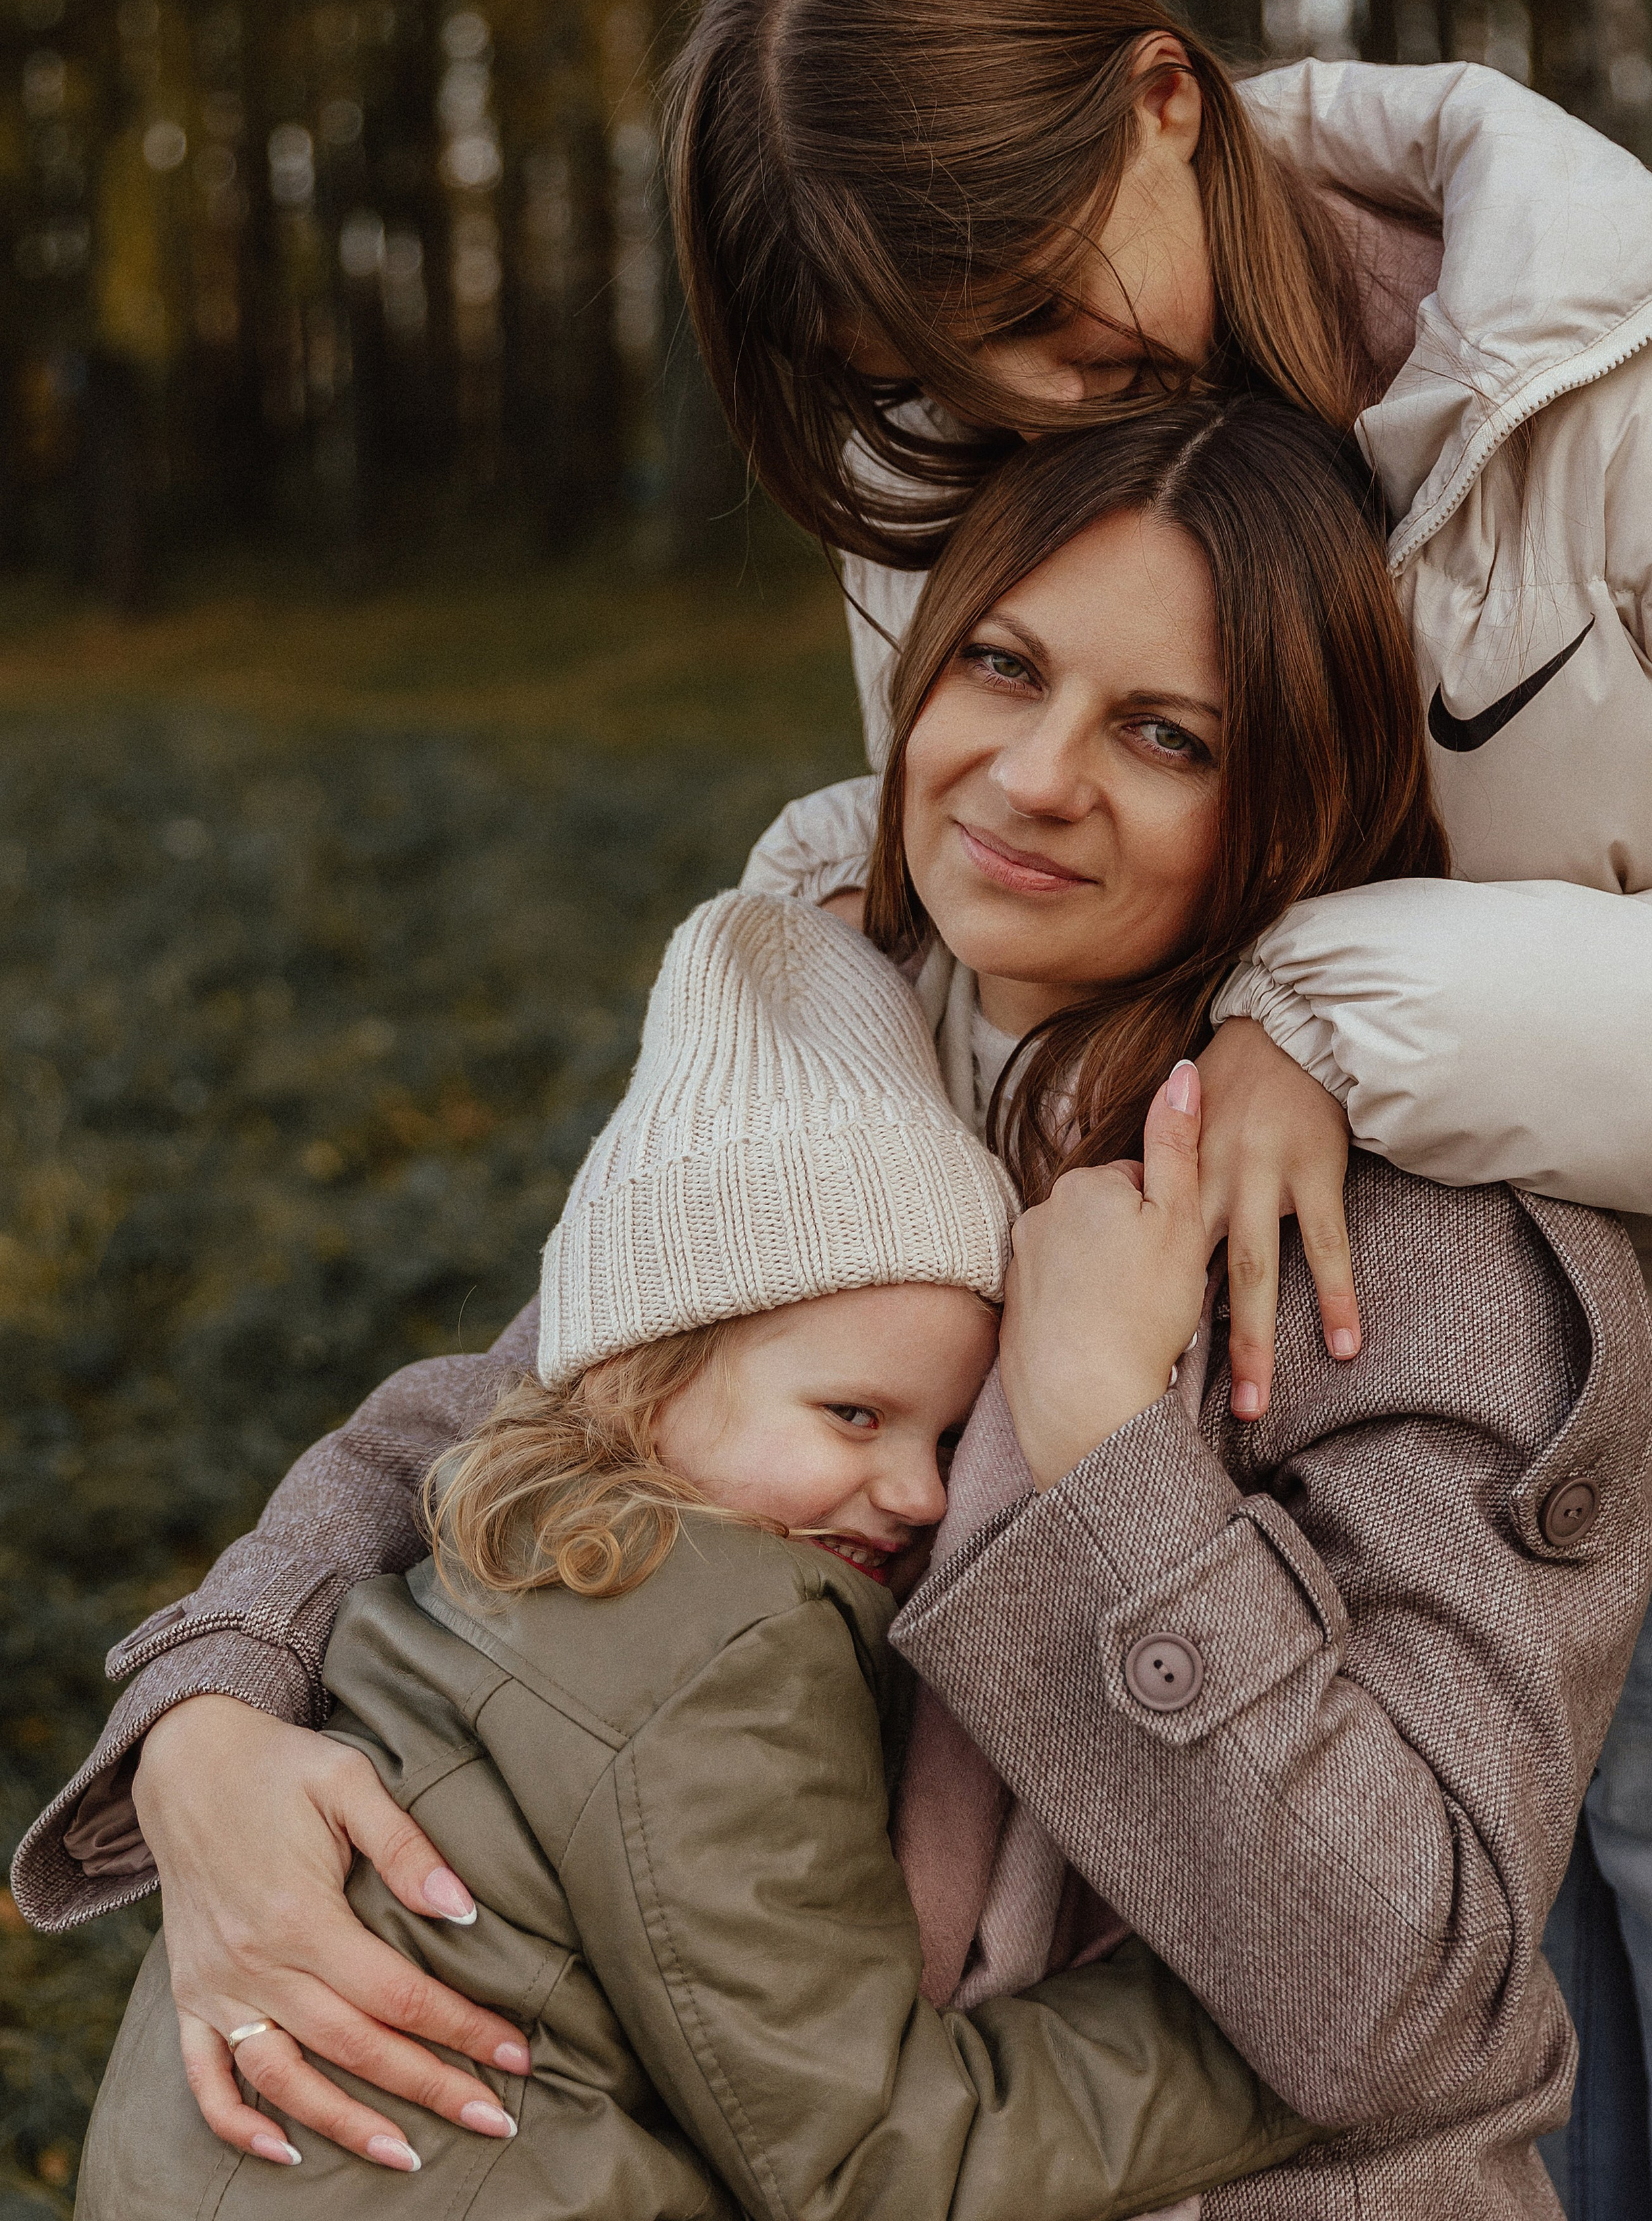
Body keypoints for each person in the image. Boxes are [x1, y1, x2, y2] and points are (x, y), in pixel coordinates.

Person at [16, 400, 1652, 2220]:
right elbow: (522, 1400)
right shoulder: (862, 1023)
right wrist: (212, 1713)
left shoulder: (1419, 1245)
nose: (1033, 776)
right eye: (1002, 666)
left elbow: (1411, 2003)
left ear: (1292, 801)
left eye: (1164, 734)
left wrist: (1115, 1449)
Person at [664, 0, 1652, 2221]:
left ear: (1168, 95)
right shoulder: (973, 456)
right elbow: (991, 988)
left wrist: (1330, 1024)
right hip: (1239, 1551)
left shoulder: (1650, 407)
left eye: (1045, 303)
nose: (1028, 393)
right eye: (931, 367)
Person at [76, 887, 1303, 2219]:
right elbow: (871, 2159)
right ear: (638, 1386)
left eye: (948, 1440)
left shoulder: (524, 1554)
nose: (916, 1491)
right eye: (852, 1415)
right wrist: (1272, 2035)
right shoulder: (715, 1636)